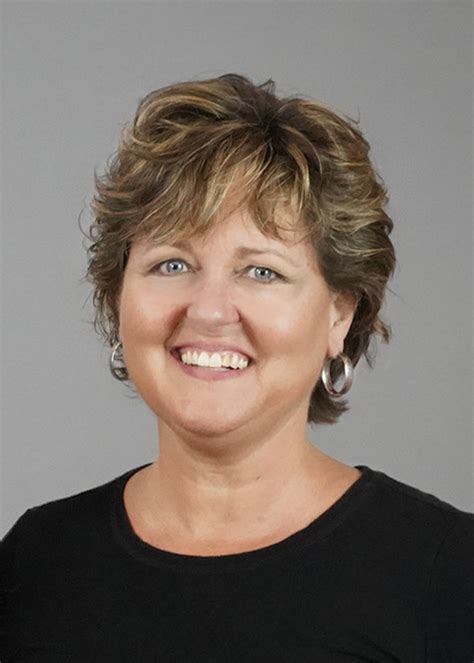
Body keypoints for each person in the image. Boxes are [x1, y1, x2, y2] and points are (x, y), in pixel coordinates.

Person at [1, 73, 473, 662]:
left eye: (262, 271)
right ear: (118, 296)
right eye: (172, 264)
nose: (208, 310)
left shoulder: (447, 573)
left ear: (339, 314)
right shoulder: (34, 563)